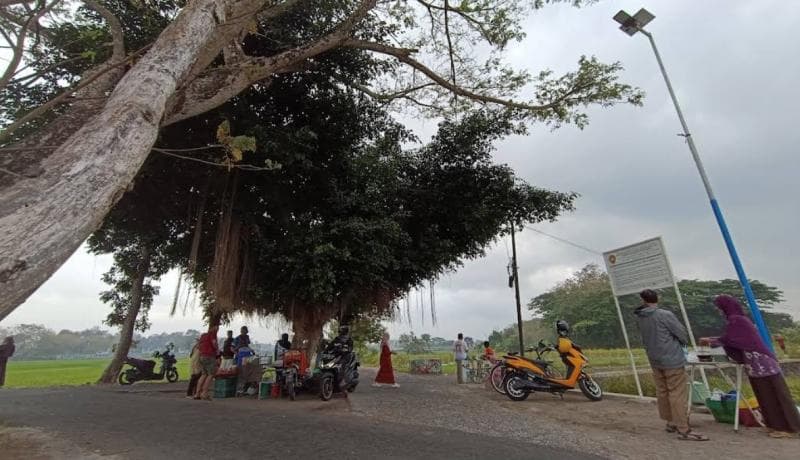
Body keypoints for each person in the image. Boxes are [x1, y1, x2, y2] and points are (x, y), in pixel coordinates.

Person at [714, 295, 800, 437]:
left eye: (719, 307)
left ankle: (789, 428)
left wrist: (715, 341)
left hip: (762, 362)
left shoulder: (737, 320)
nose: (718, 311)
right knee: (765, 396)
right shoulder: (735, 320)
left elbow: (731, 339)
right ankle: (775, 425)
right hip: (754, 364)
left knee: (777, 395)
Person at [634, 289, 708, 441]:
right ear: (657, 298)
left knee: (663, 391)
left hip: (654, 359)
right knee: (677, 393)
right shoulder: (664, 314)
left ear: (642, 300)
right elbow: (681, 333)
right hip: (672, 359)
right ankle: (683, 428)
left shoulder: (641, 317)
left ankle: (670, 422)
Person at [194, 325, 220, 401]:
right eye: (216, 327)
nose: (217, 329)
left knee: (203, 374)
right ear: (213, 328)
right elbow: (214, 344)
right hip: (209, 356)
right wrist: (217, 352)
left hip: (202, 356)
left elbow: (198, 345)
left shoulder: (203, 335)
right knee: (211, 374)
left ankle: (197, 394)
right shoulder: (212, 335)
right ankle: (204, 393)